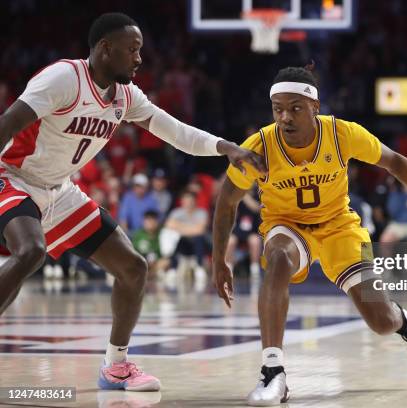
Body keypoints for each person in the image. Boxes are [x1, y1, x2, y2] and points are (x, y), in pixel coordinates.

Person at [0, 12, 264, 392]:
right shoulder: (64, 78)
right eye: (133, 50)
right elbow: (8, 123)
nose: (140, 58)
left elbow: (175, 131)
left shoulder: (125, 96)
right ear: (106, 50)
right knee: (30, 251)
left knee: (133, 268)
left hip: (59, 188)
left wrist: (227, 148)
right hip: (13, 177)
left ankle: (116, 366)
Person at [212, 65, 407, 406]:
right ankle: (273, 373)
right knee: (277, 259)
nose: (285, 117)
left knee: (381, 323)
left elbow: (394, 162)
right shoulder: (258, 146)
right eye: (278, 109)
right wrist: (218, 259)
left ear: (315, 108)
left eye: (295, 108)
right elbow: (226, 202)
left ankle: (402, 321)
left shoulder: (342, 134)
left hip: (340, 226)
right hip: (287, 227)